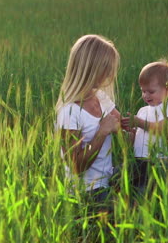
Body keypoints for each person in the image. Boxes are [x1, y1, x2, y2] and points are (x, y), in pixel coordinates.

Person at [55, 34, 121, 210]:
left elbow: (122, 127)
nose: (110, 74)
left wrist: (156, 128)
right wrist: (101, 132)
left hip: (107, 183)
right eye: (106, 68)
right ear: (90, 68)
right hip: (87, 194)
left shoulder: (100, 97)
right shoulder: (69, 111)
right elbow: (76, 166)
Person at [121, 60, 168, 196]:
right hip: (138, 160)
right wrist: (131, 135)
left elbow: (163, 129)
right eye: (143, 91)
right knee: (136, 192)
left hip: (157, 161)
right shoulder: (142, 111)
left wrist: (139, 123)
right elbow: (139, 137)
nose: (146, 96)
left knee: (152, 194)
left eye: (151, 91)